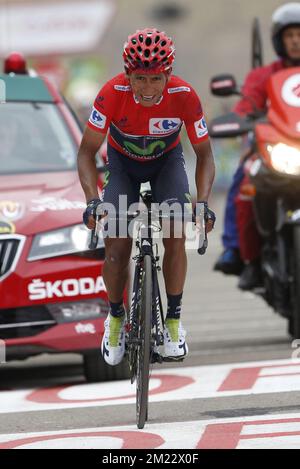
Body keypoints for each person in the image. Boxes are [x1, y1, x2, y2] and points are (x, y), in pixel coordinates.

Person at [77, 28, 215, 366]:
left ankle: (173, 323)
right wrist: (91, 200)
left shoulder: (185, 95)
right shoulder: (111, 93)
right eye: (140, 79)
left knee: (175, 232)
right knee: (117, 247)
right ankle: (115, 319)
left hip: (166, 164)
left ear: (168, 73)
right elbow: (85, 154)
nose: (148, 89)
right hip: (122, 166)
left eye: (156, 79)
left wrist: (202, 203)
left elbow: (205, 156)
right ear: (128, 74)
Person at [214, 2, 300, 290]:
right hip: (277, 151)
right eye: (290, 36)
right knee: (244, 182)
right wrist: (240, 120)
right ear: (279, 40)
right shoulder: (262, 76)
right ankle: (240, 253)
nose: (296, 41)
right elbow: (244, 106)